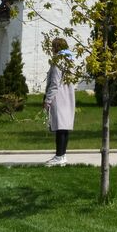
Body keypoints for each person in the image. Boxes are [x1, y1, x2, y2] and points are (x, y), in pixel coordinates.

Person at [43, 38, 76, 166]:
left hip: (59, 96)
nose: (51, 49)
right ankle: (62, 155)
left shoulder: (57, 61)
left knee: (60, 127)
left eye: (53, 47)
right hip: (68, 95)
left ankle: (59, 155)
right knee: (64, 127)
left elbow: (55, 83)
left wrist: (48, 100)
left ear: (56, 47)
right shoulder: (70, 60)